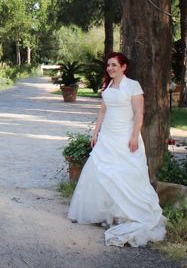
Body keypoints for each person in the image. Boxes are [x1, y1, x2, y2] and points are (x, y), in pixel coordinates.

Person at [67, 52, 166, 247]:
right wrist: (95, 133)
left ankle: (128, 214)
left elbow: (139, 113)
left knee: (124, 175)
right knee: (99, 171)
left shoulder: (133, 86)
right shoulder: (108, 85)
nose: (110, 68)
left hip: (125, 137)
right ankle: (106, 213)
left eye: (114, 65)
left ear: (123, 67)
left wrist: (134, 136)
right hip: (107, 137)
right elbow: (103, 110)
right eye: (108, 65)